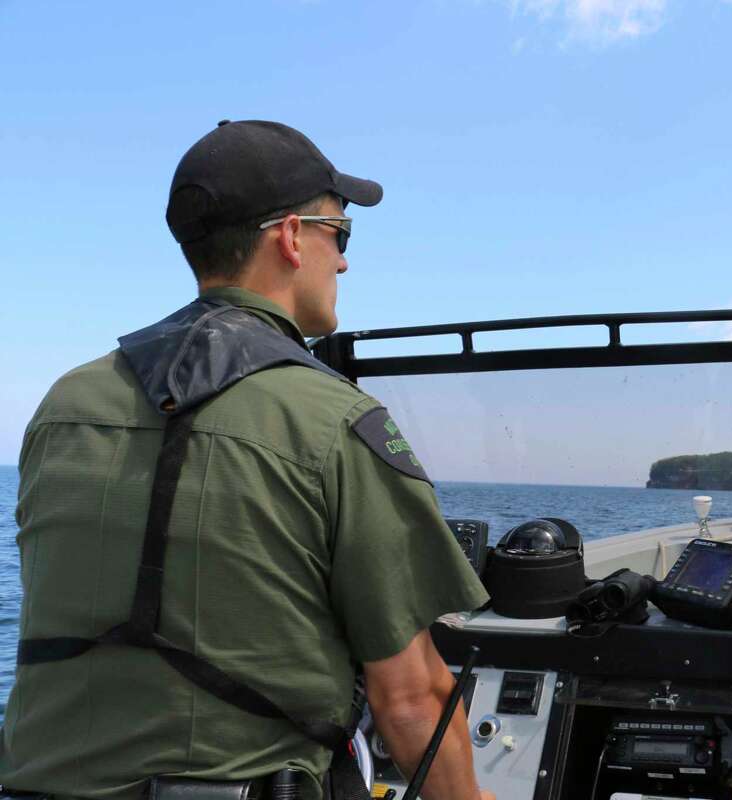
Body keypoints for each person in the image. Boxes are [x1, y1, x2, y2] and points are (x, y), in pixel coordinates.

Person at [0, 120, 495, 800]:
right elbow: (411, 701)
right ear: (292, 237)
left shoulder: (64, 404)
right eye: (340, 234)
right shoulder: (338, 421)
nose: (344, 260)